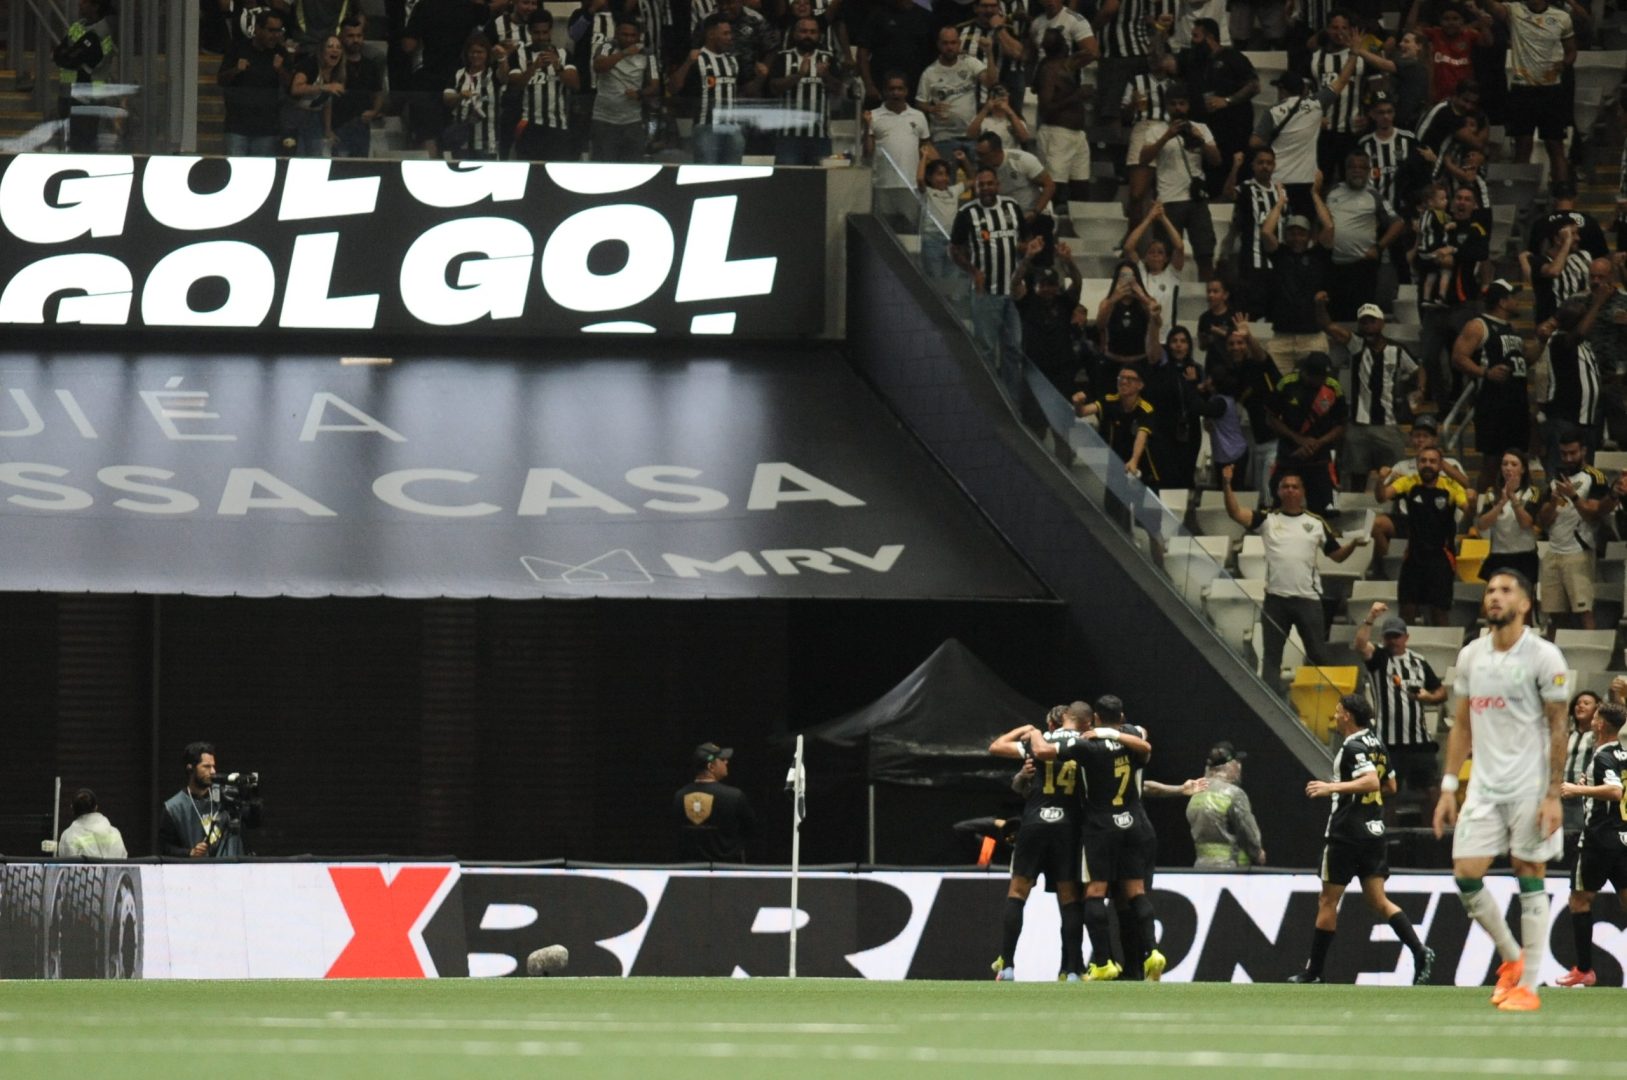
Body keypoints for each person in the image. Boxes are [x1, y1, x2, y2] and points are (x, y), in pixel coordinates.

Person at [1433, 568, 1572, 1011]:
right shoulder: (1472, 655)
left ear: (1525, 603)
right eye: (1490, 590)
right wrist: (1449, 786)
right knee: (1465, 874)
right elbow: (1462, 725)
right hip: (1485, 788)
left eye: (1505, 590)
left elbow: (1558, 727)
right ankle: (1512, 959)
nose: (1495, 596)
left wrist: (1553, 793)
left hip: (1531, 787)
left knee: (1528, 872)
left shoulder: (1544, 656)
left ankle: (1529, 987)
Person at [1289, 694, 1436, 984]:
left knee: (1328, 900)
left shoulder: (1354, 745)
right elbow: (1390, 785)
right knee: (1379, 901)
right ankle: (1419, 950)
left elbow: (1370, 781)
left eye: (1339, 709)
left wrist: (1332, 788)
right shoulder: (1376, 743)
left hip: (1346, 833)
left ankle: (1314, 972)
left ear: (1348, 716)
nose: (1335, 712)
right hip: (1373, 833)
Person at [1029, 706, 1163, 982]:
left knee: (1094, 891)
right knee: (1132, 894)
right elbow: (1144, 744)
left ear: (1095, 720)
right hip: (1134, 822)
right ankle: (1149, 954)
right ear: (1122, 716)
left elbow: (1043, 752)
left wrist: (1032, 732)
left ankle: (1102, 961)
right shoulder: (1133, 734)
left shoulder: (1087, 745)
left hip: (1100, 825)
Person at [1222, 462, 1369, 686]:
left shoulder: (1316, 522)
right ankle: (1269, 707)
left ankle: (1328, 705)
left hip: (1307, 600)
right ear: (1278, 491)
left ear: (1302, 492)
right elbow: (1235, 513)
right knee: (1272, 658)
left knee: (1318, 654)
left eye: (1295, 486)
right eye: (1285, 486)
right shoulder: (1267, 520)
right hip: (1275, 600)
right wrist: (1226, 483)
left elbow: (1337, 555)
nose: (1290, 490)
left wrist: (1354, 545)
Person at [987, 704, 1089, 981]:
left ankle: (1007, 965)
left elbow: (996, 746)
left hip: (1034, 822)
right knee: (1069, 898)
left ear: (1052, 724)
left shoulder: (1039, 742)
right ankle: (1071, 970)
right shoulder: (1085, 744)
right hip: (1068, 826)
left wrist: (1029, 730)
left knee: (1018, 893)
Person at [1555, 700, 1627, 987]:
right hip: (1623, 837)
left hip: (1599, 839)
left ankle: (1585, 969)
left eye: (1596, 716)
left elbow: (1614, 790)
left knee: (1580, 900)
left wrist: (1577, 789)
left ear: (1599, 724)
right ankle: (1583, 970)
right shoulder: (1623, 753)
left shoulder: (1603, 755)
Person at [1355, 606, 1448, 807]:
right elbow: (1361, 644)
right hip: (1388, 741)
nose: (1393, 641)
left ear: (1406, 637)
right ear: (1383, 638)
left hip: (1419, 740)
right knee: (1387, 791)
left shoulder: (1418, 661)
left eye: (1397, 636)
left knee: (1431, 789)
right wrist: (1370, 617)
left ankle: (1436, 835)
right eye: (1389, 636)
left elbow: (1441, 692)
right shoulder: (1379, 658)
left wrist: (1429, 697)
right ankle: (1385, 836)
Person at [1327, 303, 1420, 493]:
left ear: (1382, 323)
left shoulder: (1397, 349)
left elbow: (1418, 370)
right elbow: (1327, 326)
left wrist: (1420, 389)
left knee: (1394, 477)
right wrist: (1320, 305)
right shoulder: (1356, 345)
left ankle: (1394, 515)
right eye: (1364, 322)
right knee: (1356, 476)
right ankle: (1356, 516)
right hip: (1358, 425)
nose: (1368, 326)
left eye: (1372, 321)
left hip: (1388, 424)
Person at [952, 167, 1029, 390]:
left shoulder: (1011, 207)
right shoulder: (967, 213)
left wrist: (1022, 275)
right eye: (981, 184)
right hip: (985, 293)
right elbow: (954, 249)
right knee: (985, 350)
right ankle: (989, 404)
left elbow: (1025, 242)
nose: (985, 188)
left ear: (998, 185)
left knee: (1013, 349)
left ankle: (1013, 405)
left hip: (1012, 293)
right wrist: (973, 271)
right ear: (975, 187)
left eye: (989, 183)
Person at [1482, 0, 1575, 182]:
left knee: (1555, 146)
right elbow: (1490, 5)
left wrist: (1564, 63)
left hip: (1552, 90)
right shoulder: (1514, 11)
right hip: (1522, 89)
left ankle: (1561, 194)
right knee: (1522, 146)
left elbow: (1571, 50)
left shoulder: (1562, 17)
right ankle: (1520, 198)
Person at [1452, 280, 1530, 493]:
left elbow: (1523, 360)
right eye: (1513, 297)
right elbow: (1459, 357)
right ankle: (1481, 509)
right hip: (1493, 403)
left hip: (1516, 402)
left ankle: (1513, 506)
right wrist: (1485, 372)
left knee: (1518, 462)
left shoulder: (1510, 328)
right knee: (1493, 461)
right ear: (1503, 301)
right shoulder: (1478, 325)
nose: (1517, 301)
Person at [1137, 86, 1221, 280]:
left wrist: (1200, 140)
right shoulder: (1155, 130)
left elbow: (1216, 160)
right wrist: (1167, 136)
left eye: (1182, 104)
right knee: (1164, 254)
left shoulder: (1201, 128)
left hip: (1196, 200)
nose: (1178, 108)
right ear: (1167, 106)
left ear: (1188, 105)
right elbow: (1143, 159)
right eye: (1173, 104)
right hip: (1168, 200)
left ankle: (1206, 295)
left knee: (1205, 252)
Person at [1379, 447, 1468, 626]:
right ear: (1417, 464)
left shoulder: (1450, 486)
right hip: (1413, 557)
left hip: (1441, 557)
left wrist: (1472, 502)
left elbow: (1468, 510)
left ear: (1440, 465)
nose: (1427, 465)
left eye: (1433, 461)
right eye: (1423, 461)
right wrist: (1380, 481)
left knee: (1439, 612)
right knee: (1407, 610)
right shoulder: (1409, 482)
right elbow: (1381, 497)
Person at [1537, 430, 1614, 633]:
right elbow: (1542, 521)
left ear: (1584, 451)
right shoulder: (1555, 478)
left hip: (1579, 550)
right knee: (1554, 615)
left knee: (1584, 611)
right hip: (1554, 551)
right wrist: (1554, 501)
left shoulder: (1594, 477)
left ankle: (1589, 661)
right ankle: (1556, 661)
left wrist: (1573, 496)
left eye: (1573, 453)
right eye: (1564, 454)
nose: (1568, 458)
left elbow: (1594, 514)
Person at [1259, 189, 1336, 378]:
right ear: (1286, 236)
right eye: (1292, 233)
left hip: (1312, 338)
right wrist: (1280, 203)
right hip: (1281, 338)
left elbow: (1329, 228)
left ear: (1310, 236)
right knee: (1275, 389)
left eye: (1301, 233)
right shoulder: (1280, 255)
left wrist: (1315, 195)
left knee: (1315, 391)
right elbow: (1266, 232)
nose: (1296, 237)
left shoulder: (1318, 255)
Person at [1325, 150, 1405, 321]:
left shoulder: (1374, 195)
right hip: (1333, 266)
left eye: (1362, 167)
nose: (1356, 171)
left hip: (1362, 268)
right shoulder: (1332, 192)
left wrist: (1379, 247)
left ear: (1369, 171)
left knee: (1362, 317)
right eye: (1352, 167)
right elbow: (1320, 222)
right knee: (1334, 316)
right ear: (1345, 170)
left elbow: (1398, 223)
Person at [1264, 351, 1346, 515]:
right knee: (1281, 506)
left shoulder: (1333, 387)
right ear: (1306, 372)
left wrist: (1318, 443)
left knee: (1320, 510)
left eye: (1324, 376)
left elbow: (1341, 425)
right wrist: (1298, 439)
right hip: (1289, 456)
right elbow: (1271, 418)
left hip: (1319, 458)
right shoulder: (1286, 384)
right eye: (1318, 377)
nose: (1322, 381)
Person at [157, 742, 261, 858]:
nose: (213, 771)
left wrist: (254, 798)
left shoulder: (226, 795)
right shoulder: (174, 807)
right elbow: (165, 848)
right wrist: (190, 853)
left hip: (230, 870)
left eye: (213, 766)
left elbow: (254, 822)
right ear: (190, 768)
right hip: (197, 872)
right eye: (206, 766)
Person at [917, 26, 997, 166]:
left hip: (971, 136)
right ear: (938, 45)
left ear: (959, 43)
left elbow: (991, 82)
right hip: (943, 138)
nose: (949, 47)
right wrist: (931, 109)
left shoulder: (969, 63)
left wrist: (989, 53)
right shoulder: (929, 73)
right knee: (949, 182)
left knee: (975, 180)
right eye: (945, 43)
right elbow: (919, 102)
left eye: (953, 43)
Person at [769, 16, 843, 166]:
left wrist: (825, 76)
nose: (808, 35)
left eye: (812, 32)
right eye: (803, 31)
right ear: (795, 34)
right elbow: (774, 88)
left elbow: (838, 89)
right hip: (788, 136)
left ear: (819, 35)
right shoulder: (783, 57)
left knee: (820, 183)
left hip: (819, 135)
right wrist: (798, 75)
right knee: (788, 180)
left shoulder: (828, 58)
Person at [218, 10, 291, 156]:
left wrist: (280, 69)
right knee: (236, 171)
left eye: (279, 31)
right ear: (258, 28)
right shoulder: (238, 48)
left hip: (267, 128)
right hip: (237, 126)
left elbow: (291, 86)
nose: (276, 35)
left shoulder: (281, 53)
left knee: (260, 173)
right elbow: (221, 80)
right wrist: (236, 70)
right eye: (271, 30)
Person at [863, 73, 932, 226]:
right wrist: (867, 126)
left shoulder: (919, 116)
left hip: (911, 185)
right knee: (884, 232)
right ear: (885, 92)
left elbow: (926, 149)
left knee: (910, 233)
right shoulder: (873, 116)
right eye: (891, 89)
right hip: (883, 184)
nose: (896, 93)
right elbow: (867, 152)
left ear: (906, 91)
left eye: (900, 89)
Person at [510, 10, 580, 160]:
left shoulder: (563, 54)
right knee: (530, 171)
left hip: (557, 125)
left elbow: (575, 85)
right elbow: (515, 86)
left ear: (551, 31)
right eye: (536, 33)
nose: (541, 37)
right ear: (529, 31)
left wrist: (558, 66)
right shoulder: (519, 54)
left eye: (544, 32)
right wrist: (533, 68)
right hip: (527, 125)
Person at [1187, 742, 1267, 868]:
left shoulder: (1196, 794)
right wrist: (1257, 853)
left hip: (1201, 868)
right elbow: (1247, 830)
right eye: (1237, 762)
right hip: (1232, 869)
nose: (1239, 767)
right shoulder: (1234, 794)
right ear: (1229, 765)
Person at [591, 18, 660, 163]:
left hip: (632, 120)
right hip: (604, 119)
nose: (629, 39)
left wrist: (640, 93)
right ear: (616, 34)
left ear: (638, 36)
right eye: (624, 35)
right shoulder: (607, 47)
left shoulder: (647, 54)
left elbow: (655, 85)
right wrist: (625, 53)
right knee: (603, 166)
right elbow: (599, 66)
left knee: (632, 166)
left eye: (632, 35)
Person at [52, 0, 117, 153]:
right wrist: (66, 55)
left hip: (87, 97)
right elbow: (59, 55)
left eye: (85, 2)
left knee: (84, 145)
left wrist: (67, 54)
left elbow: (69, 59)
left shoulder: (98, 33)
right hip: (70, 94)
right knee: (72, 143)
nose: (80, 4)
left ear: (96, 6)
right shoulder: (79, 26)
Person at [675, 741, 755, 863]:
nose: (726, 762)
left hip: (690, 871)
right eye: (722, 759)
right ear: (711, 767)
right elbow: (751, 830)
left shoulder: (679, 796)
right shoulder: (734, 796)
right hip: (728, 871)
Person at [1474, 449, 1543, 582]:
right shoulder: (1492, 492)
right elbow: (1482, 525)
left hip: (1524, 555)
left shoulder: (1532, 492)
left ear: (1523, 469)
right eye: (1505, 464)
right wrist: (1501, 503)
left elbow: (1526, 523)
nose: (1508, 468)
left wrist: (1513, 499)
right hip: (1498, 554)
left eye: (1513, 464)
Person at [331, 16, 385, 158]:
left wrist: (374, 111)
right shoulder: (333, 64)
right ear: (341, 36)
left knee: (361, 167)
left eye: (359, 36)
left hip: (361, 125)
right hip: (336, 124)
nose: (355, 40)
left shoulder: (370, 65)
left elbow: (378, 92)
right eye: (350, 36)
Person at [1560, 689, 1600, 833]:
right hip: (1561, 792)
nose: (1580, 706)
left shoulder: (1599, 736)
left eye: (1586, 703)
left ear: (1596, 709)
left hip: (1584, 795)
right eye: (1578, 703)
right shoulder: (1567, 734)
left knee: (1578, 834)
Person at [57, 788, 127, 860]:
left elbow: (65, 865)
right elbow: (123, 861)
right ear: (96, 807)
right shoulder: (115, 833)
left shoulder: (67, 836)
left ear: (72, 808)